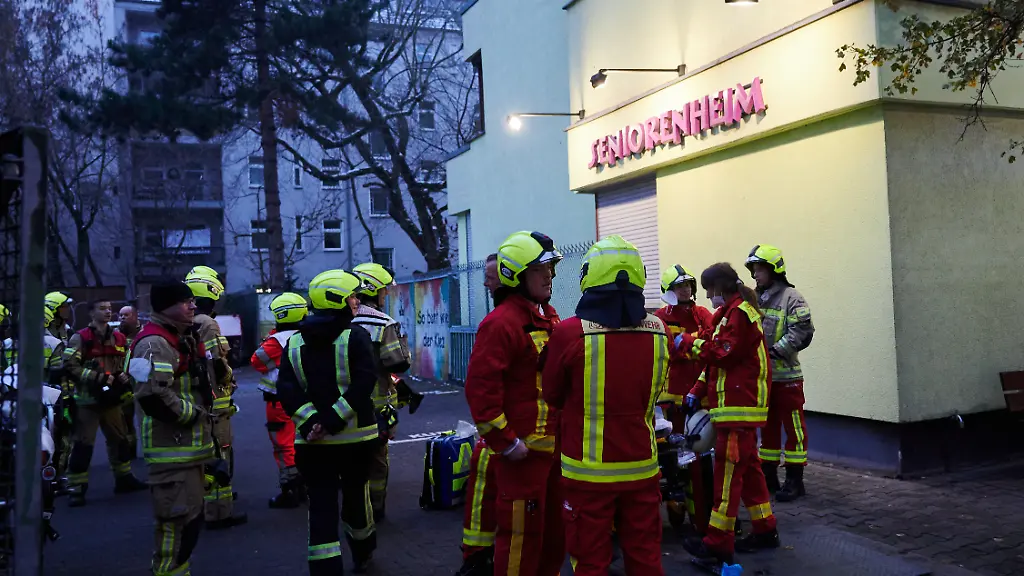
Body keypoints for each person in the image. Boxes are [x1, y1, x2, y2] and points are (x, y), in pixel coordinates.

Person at [541, 236, 670, 575]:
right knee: (645, 558)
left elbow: (552, 395)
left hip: (587, 473)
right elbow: (658, 389)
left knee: (590, 562)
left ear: (589, 277)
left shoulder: (570, 333)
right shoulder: (660, 329)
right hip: (643, 465)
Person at [464, 231, 565, 576]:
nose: (549, 275)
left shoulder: (548, 317)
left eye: (550, 267)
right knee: (521, 540)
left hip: (552, 455)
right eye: (541, 269)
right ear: (516, 275)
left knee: (553, 537)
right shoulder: (501, 324)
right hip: (522, 457)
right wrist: (507, 443)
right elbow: (481, 391)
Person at [276, 269, 380, 575]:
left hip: (312, 444)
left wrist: (311, 423)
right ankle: (363, 552)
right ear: (339, 301)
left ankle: (325, 569)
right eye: (353, 297)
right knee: (356, 501)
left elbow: (287, 389)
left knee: (320, 507)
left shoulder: (294, 341)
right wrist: (334, 419)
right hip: (356, 441)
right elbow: (364, 382)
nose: (357, 302)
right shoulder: (356, 336)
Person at [678, 263, 779, 564]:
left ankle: (718, 543)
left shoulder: (741, 314)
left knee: (727, 476)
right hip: (735, 409)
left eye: (710, 291)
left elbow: (721, 351)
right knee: (748, 473)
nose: (709, 297)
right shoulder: (730, 314)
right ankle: (764, 529)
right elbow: (715, 352)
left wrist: (687, 343)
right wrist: (697, 391)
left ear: (720, 287)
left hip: (739, 409)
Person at [130, 281, 215, 576]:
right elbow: (154, 397)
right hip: (172, 454)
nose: (193, 306)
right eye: (185, 301)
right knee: (174, 532)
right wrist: (195, 415)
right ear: (165, 306)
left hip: (186, 452)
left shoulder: (178, 337)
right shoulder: (154, 344)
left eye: (193, 301)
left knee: (188, 526)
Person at [745, 244, 815, 501]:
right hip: (763, 379)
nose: (755, 275)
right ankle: (769, 476)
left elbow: (802, 331)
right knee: (769, 429)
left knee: (794, 428)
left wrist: (775, 351)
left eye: (759, 269)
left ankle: (795, 480)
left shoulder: (792, 297)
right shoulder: (753, 298)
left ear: (774, 270)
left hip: (787, 379)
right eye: (753, 269)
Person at [63, 300, 146, 506]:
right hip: (87, 401)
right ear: (91, 313)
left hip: (112, 401)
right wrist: (97, 378)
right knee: (83, 445)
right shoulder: (80, 338)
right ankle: (77, 489)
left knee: (119, 440)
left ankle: (124, 479)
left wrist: (126, 375)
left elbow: (127, 361)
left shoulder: (118, 337)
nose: (108, 311)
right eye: (102, 308)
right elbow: (70, 366)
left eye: (110, 309)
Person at [184, 271, 248, 529]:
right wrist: (229, 379)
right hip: (216, 400)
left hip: (198, 397)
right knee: (221, 451)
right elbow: (218, 361)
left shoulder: (188, 322)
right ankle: (219, 512)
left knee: (205, 452)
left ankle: (206, 504)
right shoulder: (208, 324)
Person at [350, 262, 412, 522]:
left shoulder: (343, 319)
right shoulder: (382, 323)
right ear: (373, 290)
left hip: (342, 405)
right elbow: (398, 363)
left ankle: (353, 506)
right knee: (376, 461)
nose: (386, 295)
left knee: (351, 460)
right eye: (384, 291)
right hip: (375, 406)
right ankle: (375, 509)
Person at [456, 253, 501, 576]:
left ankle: (478, 557)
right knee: (481, 494)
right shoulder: (504, 320)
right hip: (505, 434)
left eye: (491, 276)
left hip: (508, 436)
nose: (486, 283)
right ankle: (476, 557)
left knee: (484, 492)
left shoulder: (502, 322)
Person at [250, 292, 308, 509]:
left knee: (283, 446)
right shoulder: (309, 334)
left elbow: (257, 362)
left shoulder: (277, 340)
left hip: (278, 401)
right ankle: (303, 486)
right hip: (303, 398)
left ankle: (290, 490)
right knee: (302, 441)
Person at [655, 265, 714, 414]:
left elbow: (714, 341)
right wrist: (696, 345)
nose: (685, 289)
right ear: (669, 290)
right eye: (679, 286)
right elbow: (666, 351)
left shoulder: (702, 313)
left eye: (687, 285)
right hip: (672, 392)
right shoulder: (661, 317)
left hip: (701, 390)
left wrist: (686, 342)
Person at [117, 305, 142, 458]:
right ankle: (129, 452)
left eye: (126, 315)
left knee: (145, 420)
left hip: (140, 384)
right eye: (120, 315)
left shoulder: (144, 334)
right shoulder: (115, 335)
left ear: (135, 316)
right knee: (125, 421)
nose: (122, 318)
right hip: (123, 385)